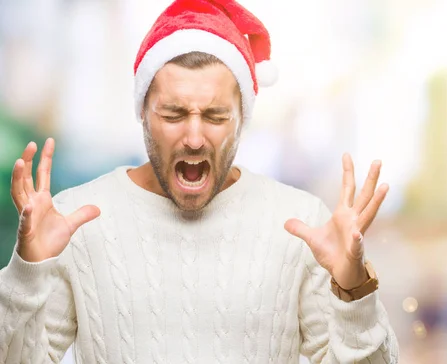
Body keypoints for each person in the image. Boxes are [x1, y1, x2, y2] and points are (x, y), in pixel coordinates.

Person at [0, 0, 399, 362]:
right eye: (173, 115)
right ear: (142, 112)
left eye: (215, 116)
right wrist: (26, 273)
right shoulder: (76, 220)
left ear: (243, 117)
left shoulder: (301, 222)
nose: (193, 137)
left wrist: (354, 288)